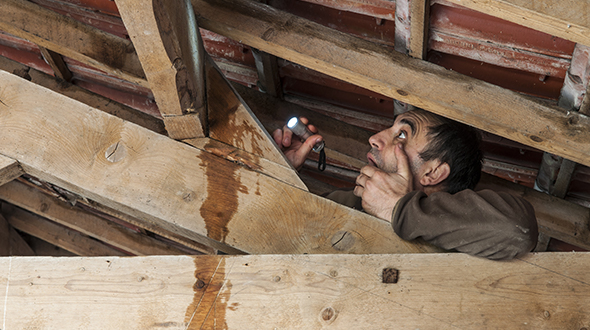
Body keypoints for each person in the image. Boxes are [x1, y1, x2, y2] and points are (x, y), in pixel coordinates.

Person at [273, 109, 538, 260]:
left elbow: (516, 230)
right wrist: (275, 170)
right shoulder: (345, 203)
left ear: (433, 173)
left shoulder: (466, 233)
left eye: (402, 134)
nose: (375, 138)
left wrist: (399, 208)